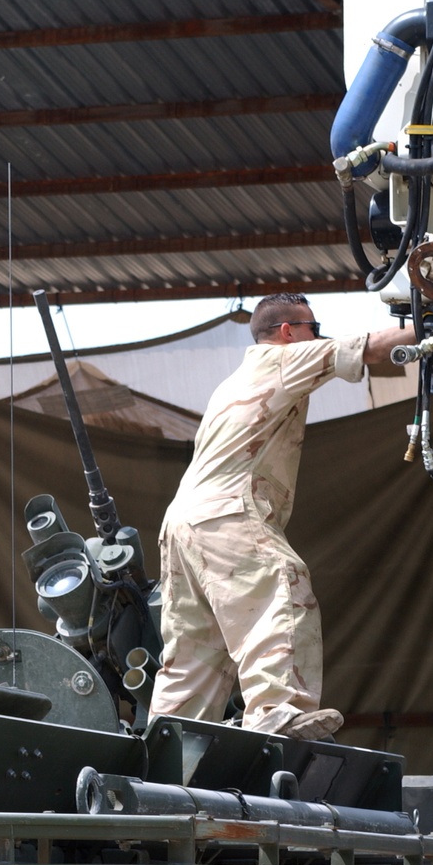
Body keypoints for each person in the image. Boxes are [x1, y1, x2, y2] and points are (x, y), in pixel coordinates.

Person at [148, 294, 405, 740]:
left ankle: (165, 750)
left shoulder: (232, 382)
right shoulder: (281, 360)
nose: (318, 337)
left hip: (181, 524)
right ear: (288, 332)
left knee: (195, 653)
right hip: (226, 510)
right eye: (313, 328)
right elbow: (375, 346)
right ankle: (276, 710)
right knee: (282, 582)